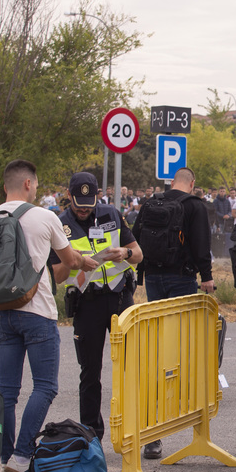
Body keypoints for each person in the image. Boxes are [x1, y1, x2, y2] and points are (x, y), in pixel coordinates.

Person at [0, 159, 88, 472]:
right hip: (38, 312)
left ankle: (4, 459)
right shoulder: (45, 217)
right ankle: (21, 455)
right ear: (29, 184)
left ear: (6, 186)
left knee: (8, 391)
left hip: (2, 312)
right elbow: (69, 261)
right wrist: (88, 262)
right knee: (45, 386)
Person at [51, 172, 142, 442]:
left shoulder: (111, 214)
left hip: (119, 298)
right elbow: (56, 276)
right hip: (86, 302)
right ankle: (91, 436)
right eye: (78, 204)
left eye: (89, 205)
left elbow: (138, 253)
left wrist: (123, 253)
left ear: (98, 196)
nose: (83, 210)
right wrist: (75, 261)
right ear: (68, 196)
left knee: (131, 366)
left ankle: (138, 431)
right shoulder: (58, 224)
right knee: (90, 372)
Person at [131, 166, 216, 459]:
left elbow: (134, 238)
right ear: (192, 183)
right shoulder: (194, 206)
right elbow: (201, 245)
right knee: (181, 349)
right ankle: (184, 410)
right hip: (182, 278)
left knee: (158, 349)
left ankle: (152, 435)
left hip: (153, 280)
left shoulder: (152, 202)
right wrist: (207, 277)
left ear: (172, 183)